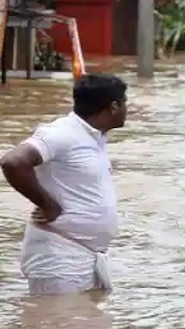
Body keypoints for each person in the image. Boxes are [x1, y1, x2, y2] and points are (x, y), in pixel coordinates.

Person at [0, 73, 127, 295]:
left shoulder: (94, 137)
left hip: (87, 255)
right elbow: (13, 162)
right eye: (125, 102)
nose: (128, 109)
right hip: (58, 255)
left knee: (83, 325)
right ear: (114, 106)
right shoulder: (62, 133)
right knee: (56, 326)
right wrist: (47, 204)